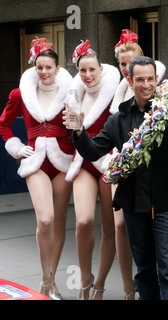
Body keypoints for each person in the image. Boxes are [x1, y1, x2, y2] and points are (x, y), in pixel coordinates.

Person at [68, 56, 168, 300]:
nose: (145, 84)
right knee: (145, 271)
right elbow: (94, 151)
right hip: (133, 206)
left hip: (165, 204)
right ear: (130, 80)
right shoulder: (118, 119)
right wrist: (79, 132)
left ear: (157, 80)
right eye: (139, 79)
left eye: (150, 79)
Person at [0, 38, 73, 299]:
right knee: (45, 219)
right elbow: (4, 125)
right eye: (39, 67)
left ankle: (52, 281)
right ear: (34, 66)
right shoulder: (21, 93)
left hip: (63, 161)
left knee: (60, 222)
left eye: (48, 67)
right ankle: (44, 279)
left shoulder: (70, 92)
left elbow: (76, 126)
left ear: (57, 68)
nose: (43, 72)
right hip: (35, 161)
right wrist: (16, 148)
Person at [108, 29, 166, 299]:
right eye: (122, 64)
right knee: (124, 229)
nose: (126, 69)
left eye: (131, 62)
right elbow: (104, 136)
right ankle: (129, 289)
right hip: (119, 170)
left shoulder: (164, 99)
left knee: (166, 265)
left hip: (157, 187)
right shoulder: (118, 97)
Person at [65, 40, 120, 299]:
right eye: (82, 70)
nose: (87, 75)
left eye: (92, 70)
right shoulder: (75, 95)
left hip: (108, 161)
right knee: (84, 220)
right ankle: (85, 278)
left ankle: (99, 283)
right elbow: (71, 134)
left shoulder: (115, 90)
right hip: (84, 161)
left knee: (110, 228)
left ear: (101, 69)